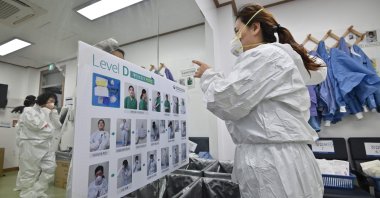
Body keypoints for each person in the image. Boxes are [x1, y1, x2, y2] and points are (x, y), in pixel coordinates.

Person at [192, 4, 326, 198]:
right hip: (280, 158)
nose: (235, 39)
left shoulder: (265, 55)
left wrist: (208, 76)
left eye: (237, 31)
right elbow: (241, 94)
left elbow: (228, 101)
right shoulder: (275, 57)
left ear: (255, 28)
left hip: (272, 163)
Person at [16, 92, 62, 198]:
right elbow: (37, 126)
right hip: (31, 144)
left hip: (46, 144)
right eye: (50, 101)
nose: (52, 103)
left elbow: (57, 126)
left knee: (50, 168)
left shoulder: (50, 112)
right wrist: (47, 124)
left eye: (54, 102)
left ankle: (38, 191)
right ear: (43, 100)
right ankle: (26, 194)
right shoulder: (29, 111)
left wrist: (53, 112)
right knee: (29, 172)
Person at [12, 95, 36, 192]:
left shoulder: (23, 111)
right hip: (28, 143)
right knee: (30, 167)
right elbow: (34, 127)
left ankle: (20, 186)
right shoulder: (30, 111)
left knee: (23, 166)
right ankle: (27, 189)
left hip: (22, 142)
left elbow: (18, 127)